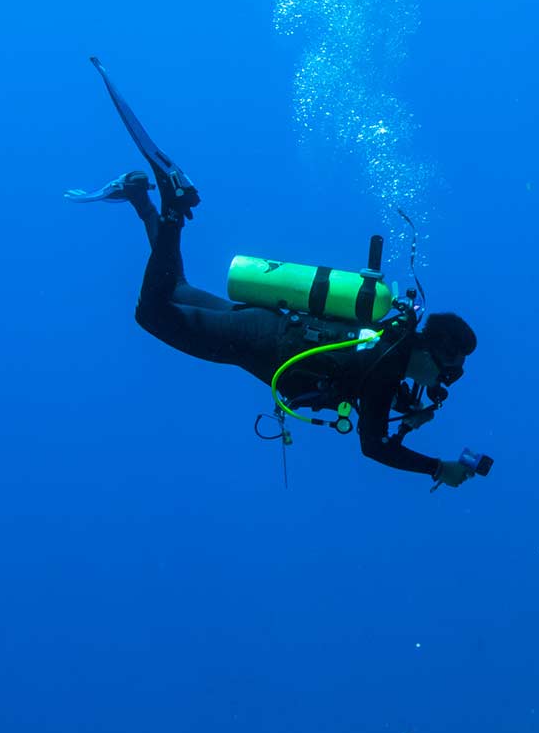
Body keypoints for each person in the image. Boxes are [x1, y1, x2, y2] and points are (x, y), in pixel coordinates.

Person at [67, 59, 483, 488]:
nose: (441, 384)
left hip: (269, 325)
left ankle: (140, 198)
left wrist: (408, 410)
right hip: (259, 342)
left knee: (174, 288)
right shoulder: (388, 363)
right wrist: (437, 468)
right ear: (434, 353)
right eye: (448, 372)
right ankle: (172, 208)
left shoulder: (391, 340)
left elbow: (371, 377)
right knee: (151, 314)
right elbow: (374, 446)